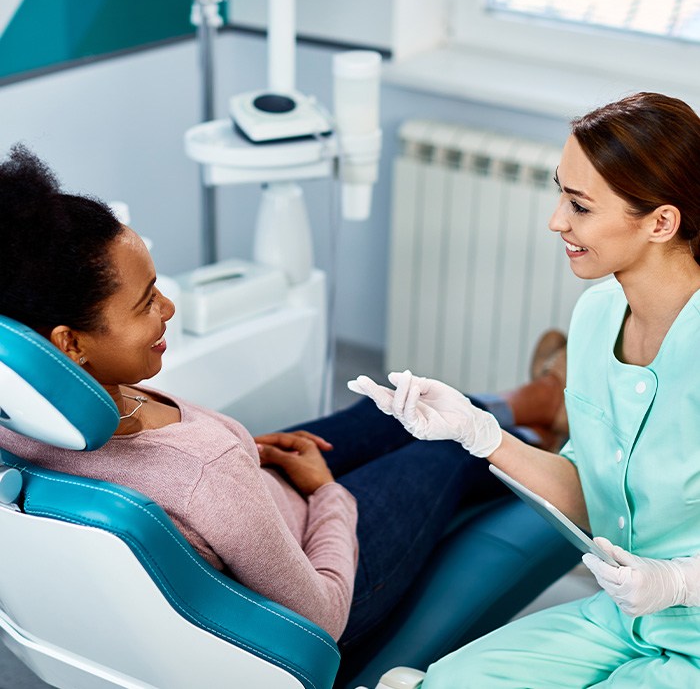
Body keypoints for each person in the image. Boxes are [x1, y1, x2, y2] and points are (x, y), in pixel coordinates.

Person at [0, 144, 567, 652]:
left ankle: (534, 402)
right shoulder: (207, 473)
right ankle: (571, 454)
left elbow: (187, 482)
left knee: (386, 409)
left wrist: (242, 452)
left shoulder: (30, 414)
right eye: (146, 301)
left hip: (246, 500)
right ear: (69, 343)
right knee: (445, 446)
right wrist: (326, 493)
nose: (168, 308)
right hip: (330, 580)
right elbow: (322, 618)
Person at [351, 91, 700, 686]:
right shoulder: (594, 318)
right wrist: (478, 433)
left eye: (580, 205)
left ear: (661, 222)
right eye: (559, 192)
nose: (556, 220)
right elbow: (591, 494)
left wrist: (679, 583)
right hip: (625, 620)